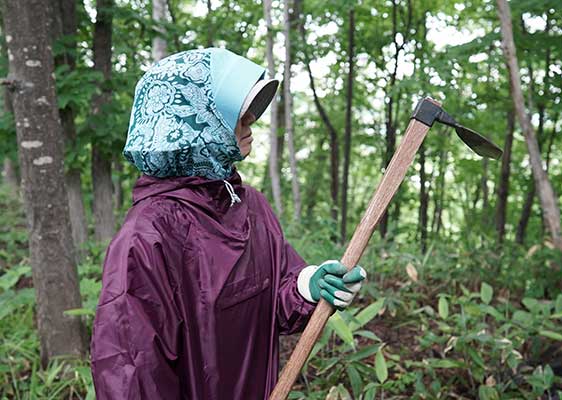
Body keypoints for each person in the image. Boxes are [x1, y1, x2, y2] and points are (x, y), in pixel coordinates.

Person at [90, 47, 367, 399]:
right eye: (235, 110)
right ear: (193, 121)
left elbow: (271, 302)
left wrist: (307, 286)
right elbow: (132, 376)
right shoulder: (147, 237)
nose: (251, 119)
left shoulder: (250, 205)